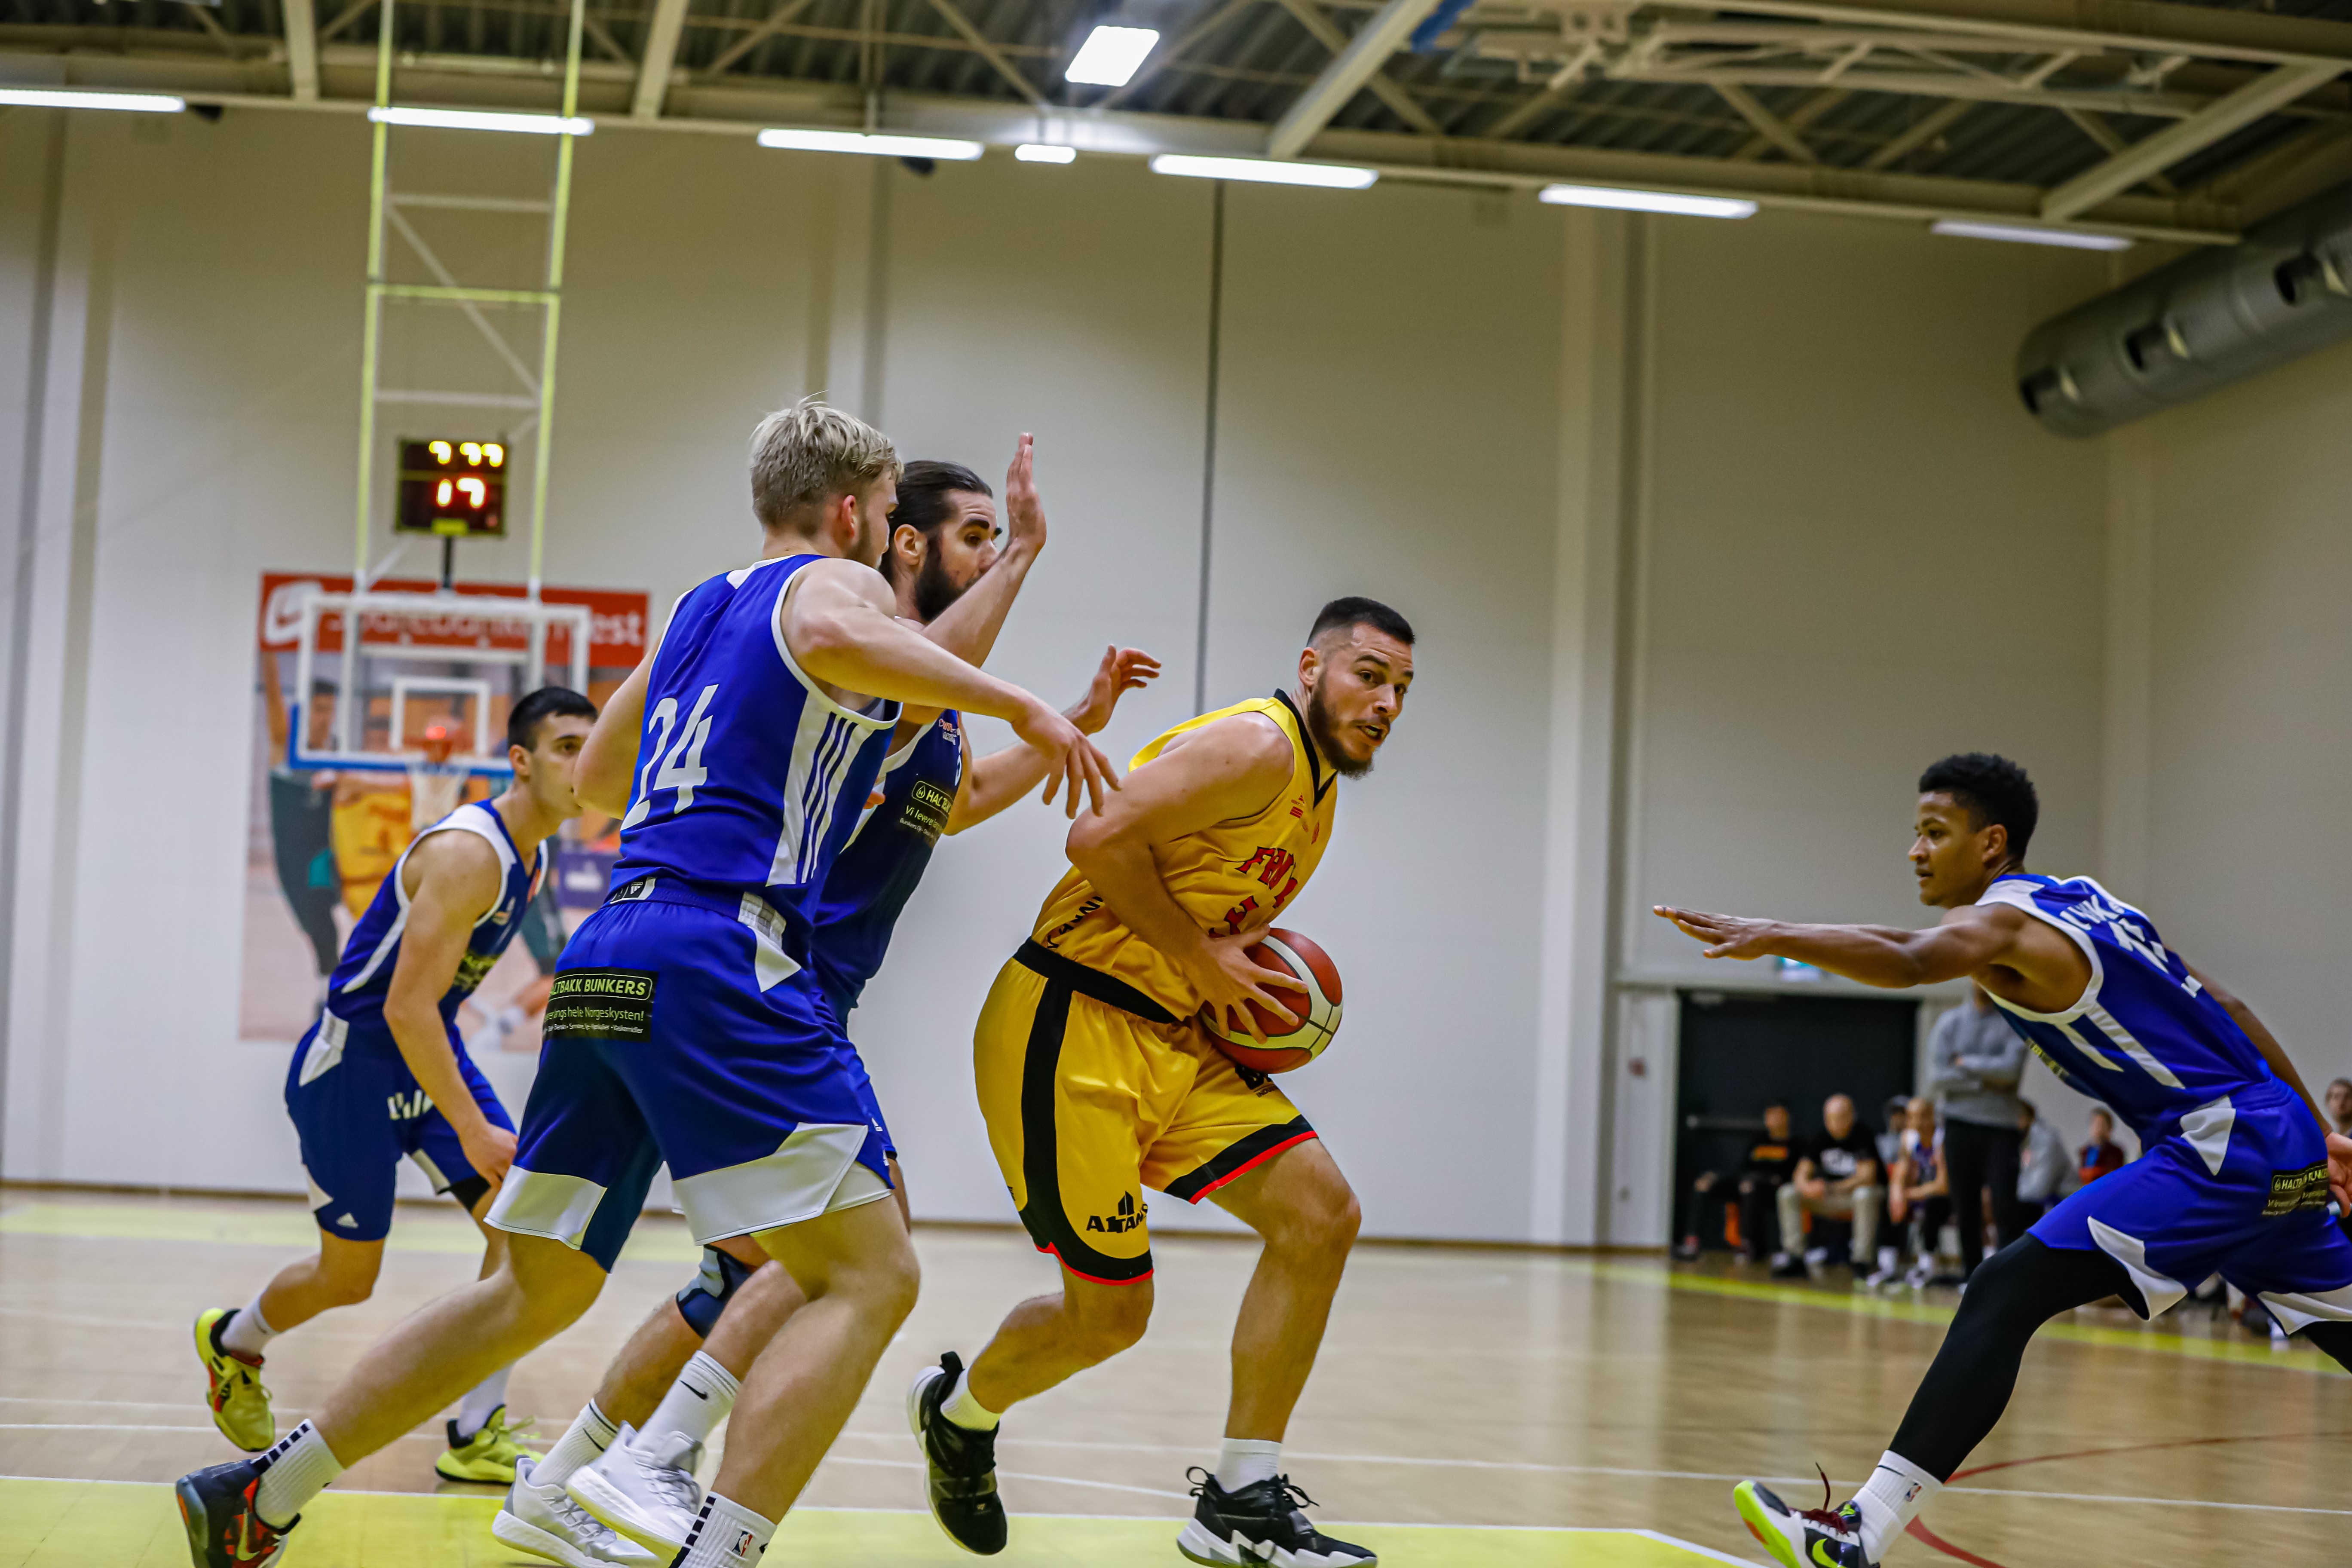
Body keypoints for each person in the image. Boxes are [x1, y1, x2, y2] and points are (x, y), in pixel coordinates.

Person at [172, 399, 1117, 1568]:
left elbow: (602, 783)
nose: (888, 545)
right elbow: (840, 629)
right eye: (882, 519)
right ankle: (717, 1549)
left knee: (530, 1292)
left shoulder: (696, 610)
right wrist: (1020, 701)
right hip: (721, 948)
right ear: (845, 511)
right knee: (871, 1277)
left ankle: (263, 1492)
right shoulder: (835, 584)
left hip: (609, 943)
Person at [499, 452, 1159, 1564]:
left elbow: (950, 803)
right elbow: (933, 679)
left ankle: (572, 1476)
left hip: (765, 988)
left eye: (1001, 544)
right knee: (839, 1260)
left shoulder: (909, 702)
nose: (990, 558)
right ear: (903, 542)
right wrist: (1035, 565)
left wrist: (1072, 717)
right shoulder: (855, 670)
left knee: (752, 1272)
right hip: (762, 986)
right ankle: (643, 1462)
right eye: (975, 539)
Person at [1656, 751, 2352, 1568]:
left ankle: (1857, 1531)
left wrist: (1774, 937)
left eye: (1932, 831)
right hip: (2268, 1133)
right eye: (1913, 832)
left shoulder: (2002, 921)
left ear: (1991, 844)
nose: (1915, 849)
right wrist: (2320, 1130)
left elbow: (1910, 956)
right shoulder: (2091, 899)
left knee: (2005, 1285)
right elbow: (2227, 1006)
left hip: (2220, 1143)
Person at [907, 597, 1414, 1568]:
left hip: (1171, 1038)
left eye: (1400, 688)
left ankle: (1241, 1498)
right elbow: (1093, 837)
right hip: (1070, 1024)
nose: (1385, 701)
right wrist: (1199, 955)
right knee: (1109, 1316)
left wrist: (1221, 983)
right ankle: (962, 1414)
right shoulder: (1257, 748)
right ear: (1310, 667)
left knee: (1320, 1215)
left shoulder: (1318, 788)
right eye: (1367, 675)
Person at [193, 686, 598, 1491]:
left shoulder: (534, 852)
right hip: (355, 1065)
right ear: (520, 761)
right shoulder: (468, 853)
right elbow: (403, 1004)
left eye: (591, 743)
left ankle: (474, 1428)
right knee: (349, 1276)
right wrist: (476, 1128)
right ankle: (234, 1342)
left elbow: (430, 1009)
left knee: (522, 1234)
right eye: (565, 746)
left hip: (426, 1046)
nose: (584, 761)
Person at [1926, 983, 2027, 1280]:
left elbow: (2011, 1072)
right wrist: (1985, 1081)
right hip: (1959, 1125)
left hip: (2001, 1128)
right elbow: (1937, 1078)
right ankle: (1971, 1276)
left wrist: (1965, 1063)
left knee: (2004, 1206)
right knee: (1964, 1206)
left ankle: (2008, 1278)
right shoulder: (1950, 1022)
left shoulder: (2014, 1022)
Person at [1772, 1095, 1880, 1277]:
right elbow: (1800, 1174)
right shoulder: (1821, 1137)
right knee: (1788, 1193)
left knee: (1864, 1194)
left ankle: (1862, 1261)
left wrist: (1831, 1188)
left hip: (1855, 1196)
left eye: (1839, 1118)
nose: (1834, 1123)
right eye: (1829, 1118)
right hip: (1829, 1197)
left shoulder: (1862, 1135)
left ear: (1851, 1116)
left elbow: (1867, 1177)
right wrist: (1807, 1187)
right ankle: (1795, 1257)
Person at [1675, 1104, 1796, 1262]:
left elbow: (1792, 1176)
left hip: (1773, 1189)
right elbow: (1742, 1171)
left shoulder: (1795, 1145)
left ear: (1787, 1118)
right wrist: (1718, 1177)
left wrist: (1759, 1181)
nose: (1773, 1120)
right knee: (1704, 1183)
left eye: (1778, 1115)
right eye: (1770, 1116)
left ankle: (1748, 1245)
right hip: (1746, 1182)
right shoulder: (1757, 1143)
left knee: (1750, 1188)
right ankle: (1692, 1243)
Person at [1869, 1097, 1948, 1288]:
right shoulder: (1909, 1138)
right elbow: (1899, 1173)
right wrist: (1897, 1192)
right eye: (1912, 1117)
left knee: (1933, 1203)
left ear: (1932, 1117)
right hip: (1919, 1192)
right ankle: (1888, 1264)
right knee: (1889, 1197)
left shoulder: (1942, 1139)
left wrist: (1909, 1194)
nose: (1917, 1122)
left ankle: (1927, 1265)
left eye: (1922, 1117)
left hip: (1946, 1199)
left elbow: (1943, 1185)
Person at [2015, 1098, 2074, 1221]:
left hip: (2063, 1202)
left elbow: (2040, 1190)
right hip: (2040, 1202)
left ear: (2027, 1118)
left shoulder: (2046, 1141)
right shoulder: (2024, 1142)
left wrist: (2007, 1195)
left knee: (2009, 1211)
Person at [2076, 1106, 2126, 1185]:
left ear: (2109, 1128)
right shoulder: (2084, 1151)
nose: (2098, 1128)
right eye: (2095, 1124)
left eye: (2101, 1125)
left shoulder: (2115, 1152)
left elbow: (2111, 1177)